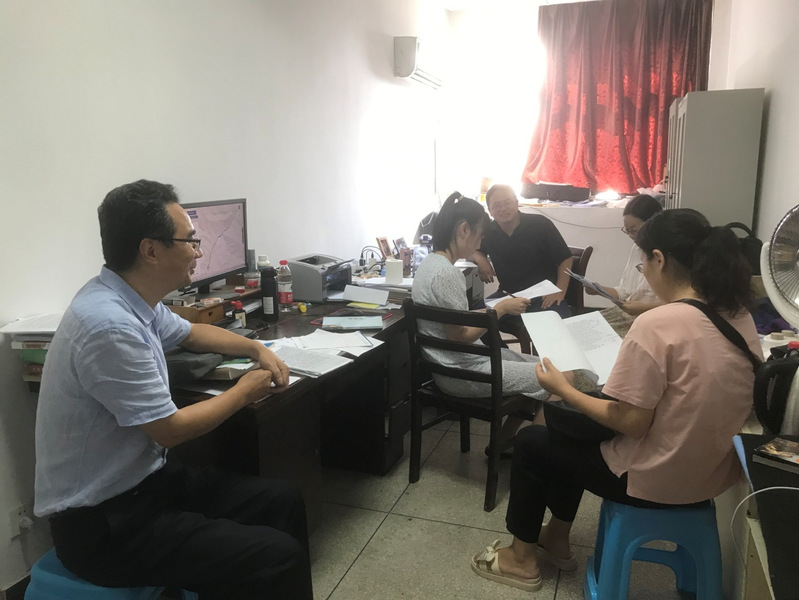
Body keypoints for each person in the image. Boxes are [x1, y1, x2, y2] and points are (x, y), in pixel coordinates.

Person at [34, 180, 313, 600]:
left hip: (150, 485)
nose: (199, 252)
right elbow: (171, 430)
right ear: (151, 250)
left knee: (283, 500)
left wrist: (257, 348)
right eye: (190, 241)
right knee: (278, 557)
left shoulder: (131, 299)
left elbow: (191, 334)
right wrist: (245, 390)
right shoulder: (108, 325)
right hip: (106, 526)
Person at [470, 208, 761, 592]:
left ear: (659, 259)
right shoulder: (737, 314)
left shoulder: (658, 325)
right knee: (568, 429)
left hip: (656, 478)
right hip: (709, 477)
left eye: (643, 264)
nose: (645, 272)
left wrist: (564, 388)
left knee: (533, 442)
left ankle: (521, 560)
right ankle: (556, 539)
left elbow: (631, 422)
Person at [412, 192, 553, 443]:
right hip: (462, 373)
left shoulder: (430, 264)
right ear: (464, 229)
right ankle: (531, 450)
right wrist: (500, 310)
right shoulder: (447, 274)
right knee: (553, 378)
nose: (479, 244)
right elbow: (459, 336)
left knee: (542, 364)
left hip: (452, 365)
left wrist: (495, 308)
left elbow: (453, 320)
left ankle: (502, 444)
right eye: (479, 236)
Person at [472, 184, 573, 318]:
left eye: (507, 203)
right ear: (490, 210)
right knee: (474, 318)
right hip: (507, 296)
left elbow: (566, 259)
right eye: (496, 205)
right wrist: (481, 260)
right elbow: (474, 250)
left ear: (516, 203)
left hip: (543, 296)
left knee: (558, 325)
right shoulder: (488, 231)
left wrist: (559, 291)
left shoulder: (540, 224)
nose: (503, 209)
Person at [585, 194, 663, 335]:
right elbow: (626, 292)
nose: (631, 235)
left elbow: (680, 304)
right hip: (630, 315)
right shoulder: (637, 249)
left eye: (635, 230)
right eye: (627, 230)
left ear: (652, 224)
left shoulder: (668, 257)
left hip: (652, 320)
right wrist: (600, 289)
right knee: (584, 330)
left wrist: (644, 308)